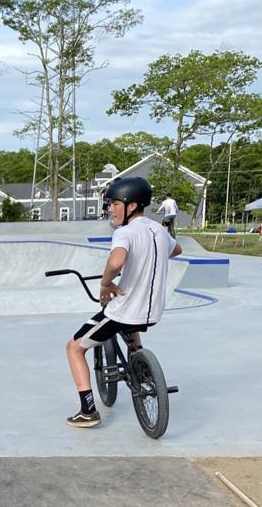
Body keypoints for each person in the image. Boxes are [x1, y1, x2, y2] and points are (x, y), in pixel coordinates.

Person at [65, 177, 182, 428]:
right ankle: (140, 367)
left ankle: (88, 412)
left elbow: (117, 261)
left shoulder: (125, 232)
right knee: (131, 329)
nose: (110, 209)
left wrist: (106, 284)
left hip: (124, 310)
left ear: (131, 206)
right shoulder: (160, 231)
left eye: (114, 203)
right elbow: (177, 250)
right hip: (152, 311)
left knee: (74, 348)